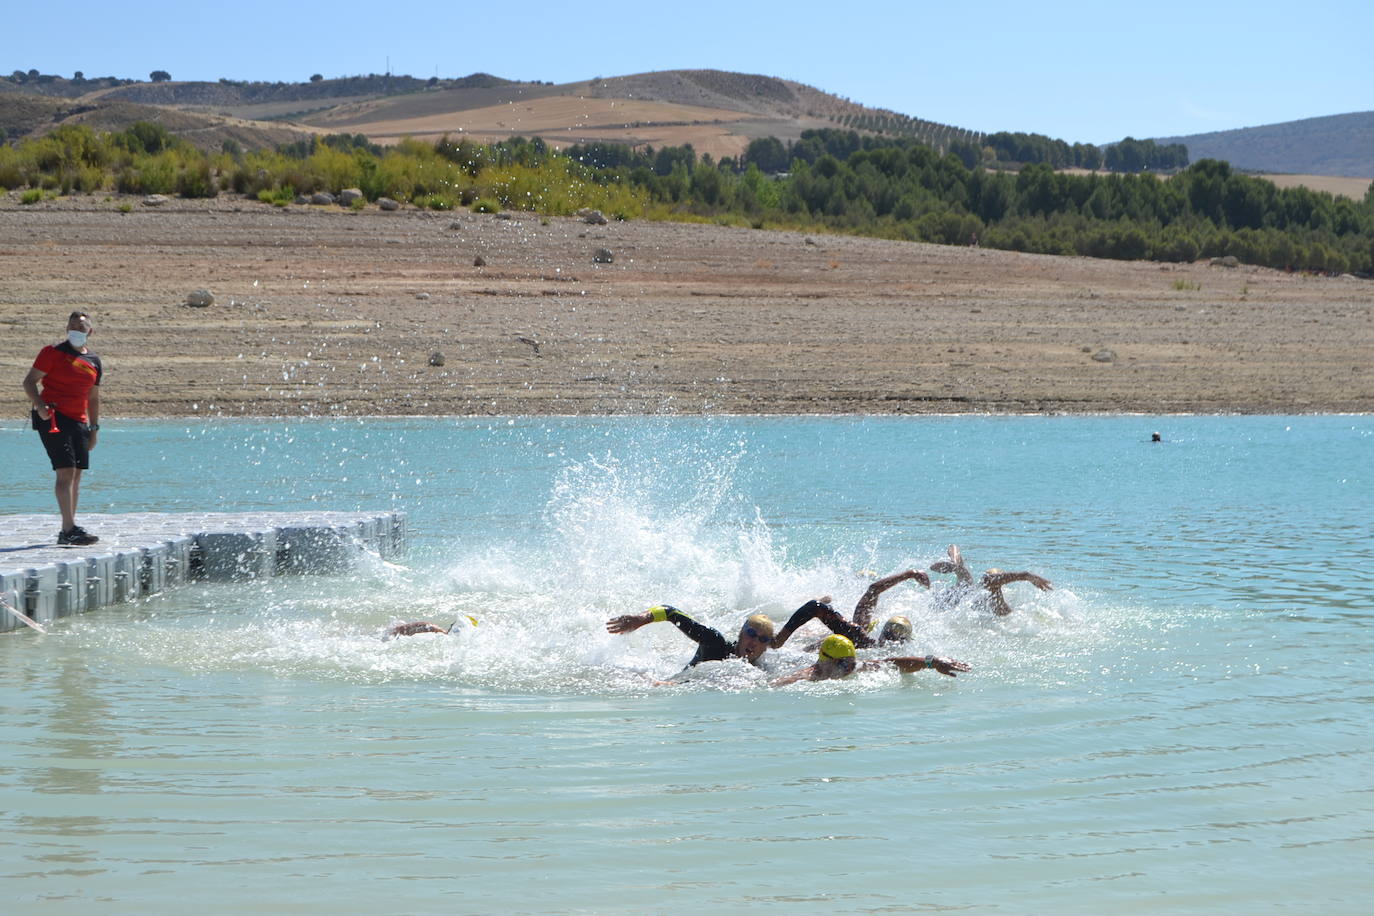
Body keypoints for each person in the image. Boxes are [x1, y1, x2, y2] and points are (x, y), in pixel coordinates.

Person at [22, 311, 102, 546]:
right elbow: (29, 381)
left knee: (76, 474)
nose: (77, 329)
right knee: (65, 471)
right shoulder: (53, 352)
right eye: (73, 326)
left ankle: (69, 528)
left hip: (80, 422)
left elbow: (94, 397)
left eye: (82, 326)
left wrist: (94, 429)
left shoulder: (94, 361)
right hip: (54, 417)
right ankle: (69, 529)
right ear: (67, 329)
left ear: (90, 331)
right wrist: (39, 406)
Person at [771, 569, 929, 651]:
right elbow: (873, 590)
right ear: (908, 641)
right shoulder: (864, 639)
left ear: (882, 633)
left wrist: (910, 574)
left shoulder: (861, 639)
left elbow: (873, 590)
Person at [606, 605, 776, 675]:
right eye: (751, 634)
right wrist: (642, 619)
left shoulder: (762, 669)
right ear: (741, 633)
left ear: (766, 647)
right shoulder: (714, 642)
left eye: (762, 639)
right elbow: (670, 612)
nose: (754, 642)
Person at [772, 634, 970, 686]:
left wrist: (931, 661)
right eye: (843, 664)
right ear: (826, 660)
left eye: (851, 663)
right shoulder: (804, 678)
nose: (849, 669)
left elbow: (892, 663)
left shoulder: (852, 667)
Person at [929, 544, 1052, 616]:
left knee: (962, 572)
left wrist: (1025, 575)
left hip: (942, 607)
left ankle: (954, 563)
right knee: (961, 570)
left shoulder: (998, 604)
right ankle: (954, 563)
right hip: (946, 607)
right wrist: (1025, 575)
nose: (985, 580)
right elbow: (953, 546)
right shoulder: (992, 601)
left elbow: (989, 580)